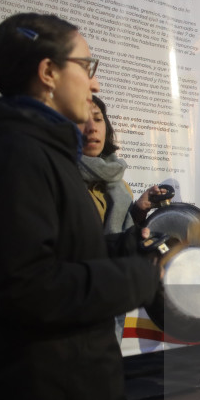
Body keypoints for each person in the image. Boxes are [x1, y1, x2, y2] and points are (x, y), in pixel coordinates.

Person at [0, 13, 160, 400]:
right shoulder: (14, 154)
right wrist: (138, 275)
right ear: (48, 73)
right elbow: (27, 288)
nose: (94, 85)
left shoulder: (38, 150)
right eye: (86, 67)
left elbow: (58, 256)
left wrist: (127, 248)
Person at [79, 95, 164, 342]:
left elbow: (122, 238)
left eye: (98, 119)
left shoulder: (118, 183)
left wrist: (139, 209)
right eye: (82, 120)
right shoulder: (59, 177)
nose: (92, 127)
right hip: (77, 303)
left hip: (113, 302)